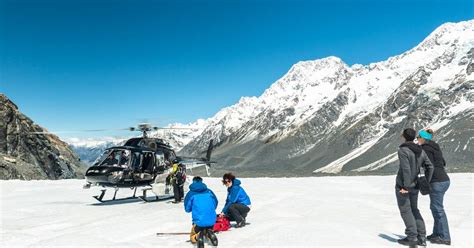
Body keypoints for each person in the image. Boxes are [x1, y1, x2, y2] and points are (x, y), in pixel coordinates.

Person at [395, 128, 433, 247]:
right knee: (414, 209)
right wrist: (426, 181)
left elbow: (406, 169)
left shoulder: (403, 150)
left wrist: (405, 186)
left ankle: (412, 237)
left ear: (404, 136)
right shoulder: (420, 150)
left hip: (404, 186)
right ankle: (422, 237)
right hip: (416, 184)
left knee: (406, 210)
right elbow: (430, 166)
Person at [417, 129, 451, 245]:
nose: (417, 139)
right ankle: (437, 233)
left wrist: (427, 181)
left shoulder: (425, 149)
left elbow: (429, 166)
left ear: (423, 138)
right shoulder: (435, 147)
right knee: (435, 208)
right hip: (444, 180)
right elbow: (443, 162)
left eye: (418, 137)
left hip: (437, 181)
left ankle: (445, 237)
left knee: (438, 209)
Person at [184, 176, 218, 246]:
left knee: (192, 237)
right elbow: (215, 203)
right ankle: (209, 233)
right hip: (211, 221)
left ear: (193, 182)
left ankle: (198, 236)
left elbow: (187, 209)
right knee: (206, 228)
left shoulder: (191, 193)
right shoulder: (209, 191)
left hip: (198, 222)